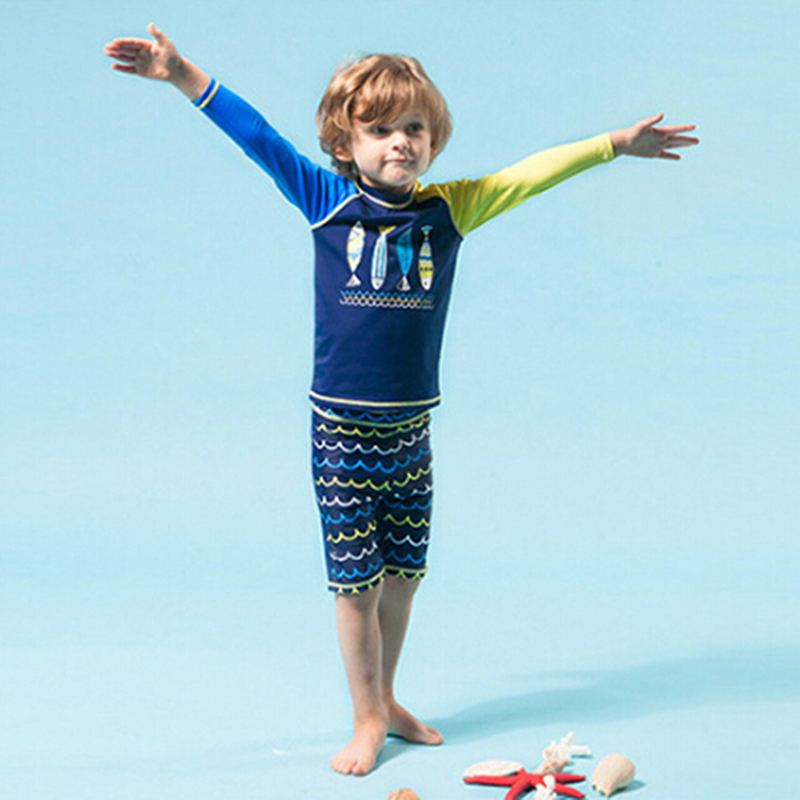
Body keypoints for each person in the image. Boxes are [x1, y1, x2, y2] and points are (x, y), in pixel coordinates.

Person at [104, 24, 699, 777]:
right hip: (341, 435)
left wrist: (613, 144)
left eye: (414, 128)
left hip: (411, 433)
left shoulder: (451, 211)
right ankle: (364, 718)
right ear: (344, 142)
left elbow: (530, 175)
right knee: (355, 585)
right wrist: (181, 72)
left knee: (403, 578)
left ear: (433, 140)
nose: (400, 143)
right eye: (380, 130)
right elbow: (257, 139)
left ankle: (386, 699)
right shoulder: (326, 199)